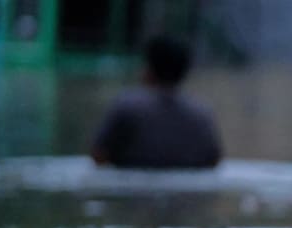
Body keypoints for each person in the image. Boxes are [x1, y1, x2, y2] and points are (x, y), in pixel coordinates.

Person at [90, 35, 222, 169]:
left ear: (149, 69)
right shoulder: (201, 114)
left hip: (132, 186)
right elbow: (214, 161)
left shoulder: (127, 106)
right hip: (185, 188)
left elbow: (98, 155)